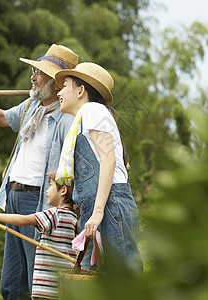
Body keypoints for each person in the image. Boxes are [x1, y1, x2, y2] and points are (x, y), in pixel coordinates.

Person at [0, 44, 78, 299]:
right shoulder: (32, 106)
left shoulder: (66, 119)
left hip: (40, 202)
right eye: (34, 70)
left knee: (36, 281)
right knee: (11, 282)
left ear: (55, 83)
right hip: (14, 196)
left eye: (39, 73)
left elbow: (70, 166)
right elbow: (1, 118)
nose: (32, 76)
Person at [54, 62, 143, 272]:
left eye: (65, 85)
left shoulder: (92, 110)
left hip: (109, 205)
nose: (59, 91)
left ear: (81, 91)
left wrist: (98, 212)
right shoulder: (85, 118)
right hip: (99, 208)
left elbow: (108, 159)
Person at [0, 172, 78, 299]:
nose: (46, 191)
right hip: (63, 288)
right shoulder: (73, 218)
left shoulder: (54, 214)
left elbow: (23, 220)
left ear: (63, 191)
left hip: (46, 289)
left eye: (50, 186)